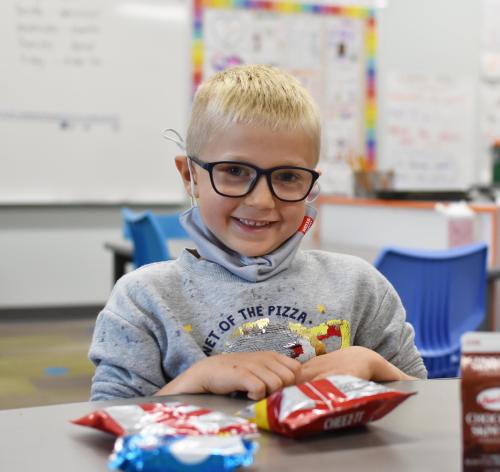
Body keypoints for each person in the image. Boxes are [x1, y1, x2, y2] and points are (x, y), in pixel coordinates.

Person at [89, 64, 427, 401]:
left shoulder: (360, 287)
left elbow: (425, 406)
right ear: (190, 176)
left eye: (288, 177)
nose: (262, 200)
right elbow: (109, 422)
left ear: (310, 185)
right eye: (235, 171)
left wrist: (374, 365)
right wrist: (198, 378)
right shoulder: (144, 300)